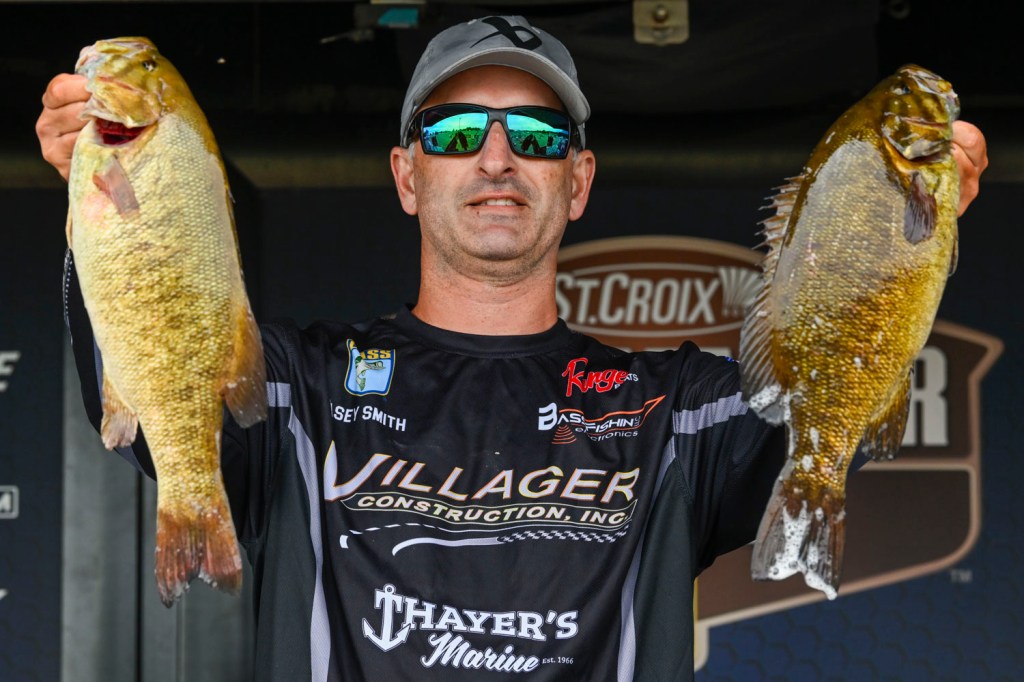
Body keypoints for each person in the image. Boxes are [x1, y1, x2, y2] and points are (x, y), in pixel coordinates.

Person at [36, 15, 988, 681]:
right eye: (455, 131)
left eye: (536, 134)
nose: (496, 156)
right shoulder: (300, 389)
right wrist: (106, 202)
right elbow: (153, 376)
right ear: (407, 175)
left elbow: (828, 392)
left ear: (578, 180)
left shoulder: (676, 413)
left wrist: (899, 230)